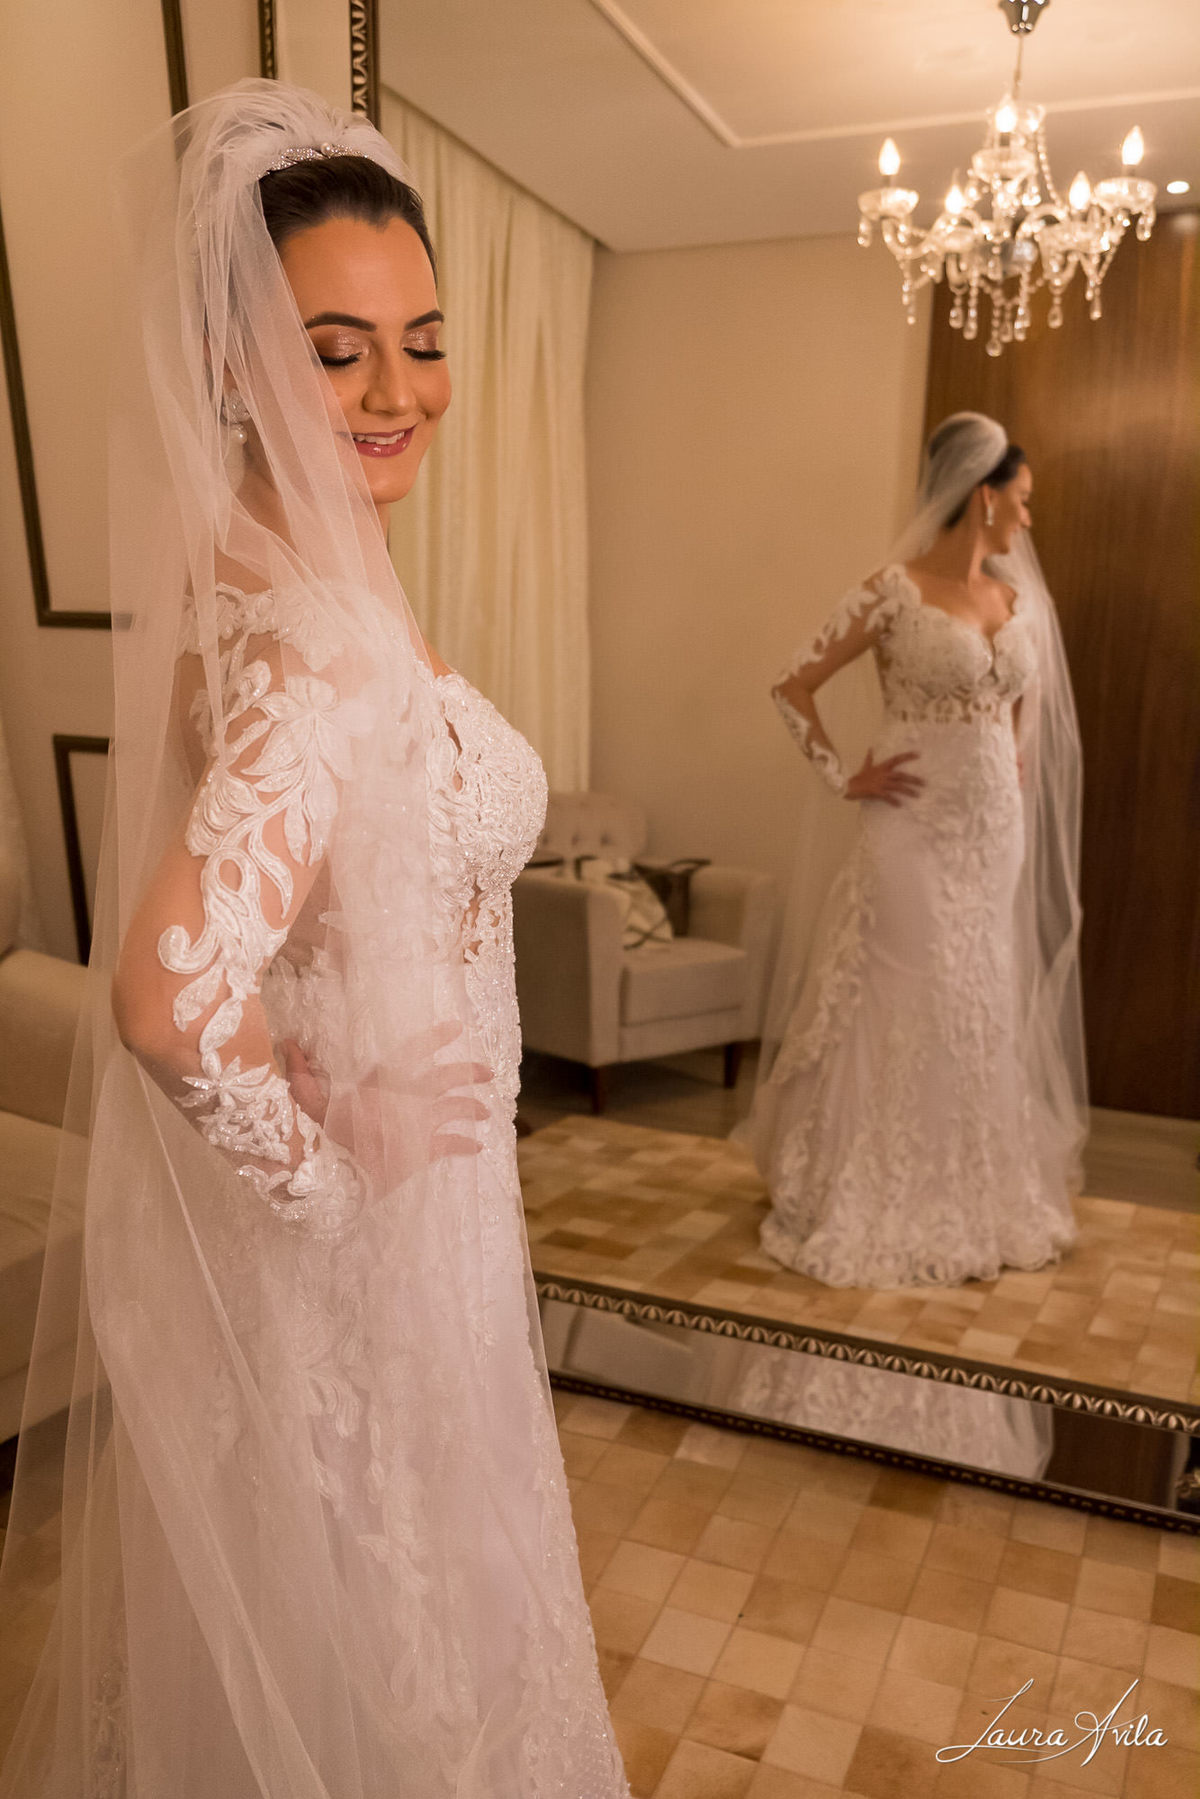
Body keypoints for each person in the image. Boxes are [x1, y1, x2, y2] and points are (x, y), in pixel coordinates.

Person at [0, 81, 628, 1796]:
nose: (398, 392)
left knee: (324, 1625)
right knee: (400, 1656)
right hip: (375, 1231)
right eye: (336, 352)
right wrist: (333, 1169)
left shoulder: (267, 574)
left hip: (389, 1215)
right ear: (233, 367)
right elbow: (167, 995)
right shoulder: (321, 643)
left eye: (424, 343)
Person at [737, 412, 1086, 1289]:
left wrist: (1004, 761)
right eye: (1022, 499)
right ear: (984, 495)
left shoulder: (1015, 601)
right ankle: (867, 1183)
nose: (1029, 517)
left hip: (991, 830)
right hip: (910, 824)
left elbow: (1021, 705)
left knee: (977, 994)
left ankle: (969, 1187)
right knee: (906, 988)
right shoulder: (893, 591)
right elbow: (792, 684)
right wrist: (843, 774)